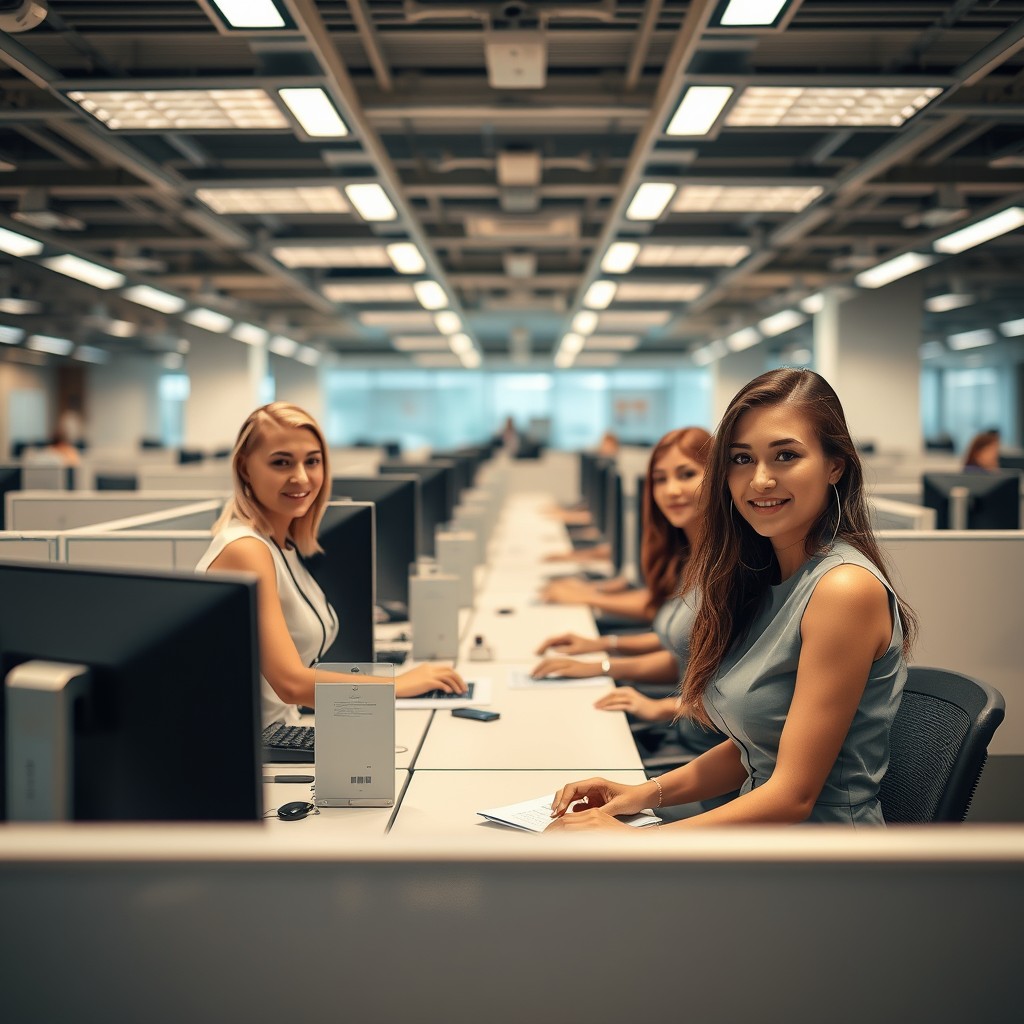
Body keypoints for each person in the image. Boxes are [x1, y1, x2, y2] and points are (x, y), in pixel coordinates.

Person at [547, 368, 917, 830]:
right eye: (742, 459)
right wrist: (640, 794)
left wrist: (634, 842)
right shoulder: (765, 579)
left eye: (785, 455)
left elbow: (794, 796)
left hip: (822, 862)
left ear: (834, 465)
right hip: (758, 841)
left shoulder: (843, 589)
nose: (760, 480)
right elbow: (756, 749)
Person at [197, 402, 465, 727]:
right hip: (246, 754)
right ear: (244, 469)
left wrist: (397, 679)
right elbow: (291, 684)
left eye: (312, 461)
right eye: (281, 462)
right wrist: (399, 685)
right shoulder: (244, 551)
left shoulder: (283, 546)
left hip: (283, 732)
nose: (300, 477)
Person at [532, 428, 711, 719]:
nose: (672, 490)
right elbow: (682, 647)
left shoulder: (726, 569)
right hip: (681, 727)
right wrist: (601, 651)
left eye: (686, 474)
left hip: (694, 741)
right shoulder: (688, 554)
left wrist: (606, 664)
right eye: (660, 480)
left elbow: (726, 694)